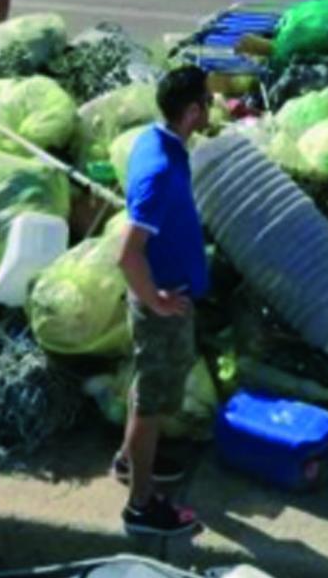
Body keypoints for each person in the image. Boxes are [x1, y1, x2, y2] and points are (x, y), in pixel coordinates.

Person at [116, 65, 212, 537]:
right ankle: (141, 505)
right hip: (163, 302)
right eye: (207, 102)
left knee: (147, 392)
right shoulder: (160, 170)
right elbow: (127, 253)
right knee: (150, 403)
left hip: (170, 292)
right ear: (192, 110)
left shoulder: (156, 143)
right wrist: (155, 300)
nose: (213, 109)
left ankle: (131, 460)